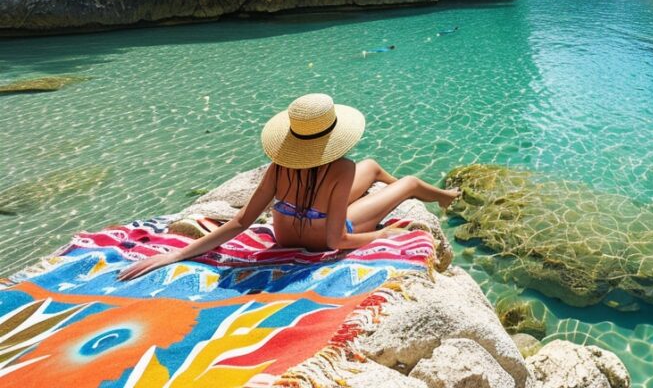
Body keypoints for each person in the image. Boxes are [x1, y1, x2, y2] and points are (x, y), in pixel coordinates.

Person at [119, 93, 460, 281]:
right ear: (333, 133)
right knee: (410, 182)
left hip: (284, 236)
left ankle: (381, 189)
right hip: (321, 235)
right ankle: (445, 198)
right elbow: (335, 239)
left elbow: (240, 223)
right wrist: (384, 236)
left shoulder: (280, 165)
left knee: (370, 167)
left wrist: (177, 254)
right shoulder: (341, 168)